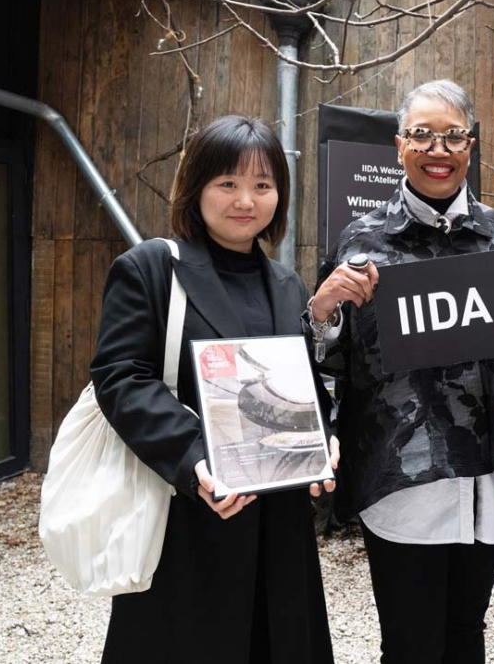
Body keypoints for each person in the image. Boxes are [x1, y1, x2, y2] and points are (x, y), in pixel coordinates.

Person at [90, 116, 338, 664]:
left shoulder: (285, 283)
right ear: (196, 187)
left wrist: (324, 437)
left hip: (278, 526)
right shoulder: (152, 269)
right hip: (192, 514)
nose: (245, 199)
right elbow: (120, 375)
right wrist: (195, 458)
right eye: (227, 183)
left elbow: (294, 386)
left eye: (263, 184)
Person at [309, 79, 494, 664]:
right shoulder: (361, 241)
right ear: (399, 145)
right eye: (423, 135)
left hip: (487, 482)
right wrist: (323, 308)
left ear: (472, 145)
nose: (439, 150)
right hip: (401, 483)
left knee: (467, 636)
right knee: (409, 644)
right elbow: (329, 362)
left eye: (453, 136)